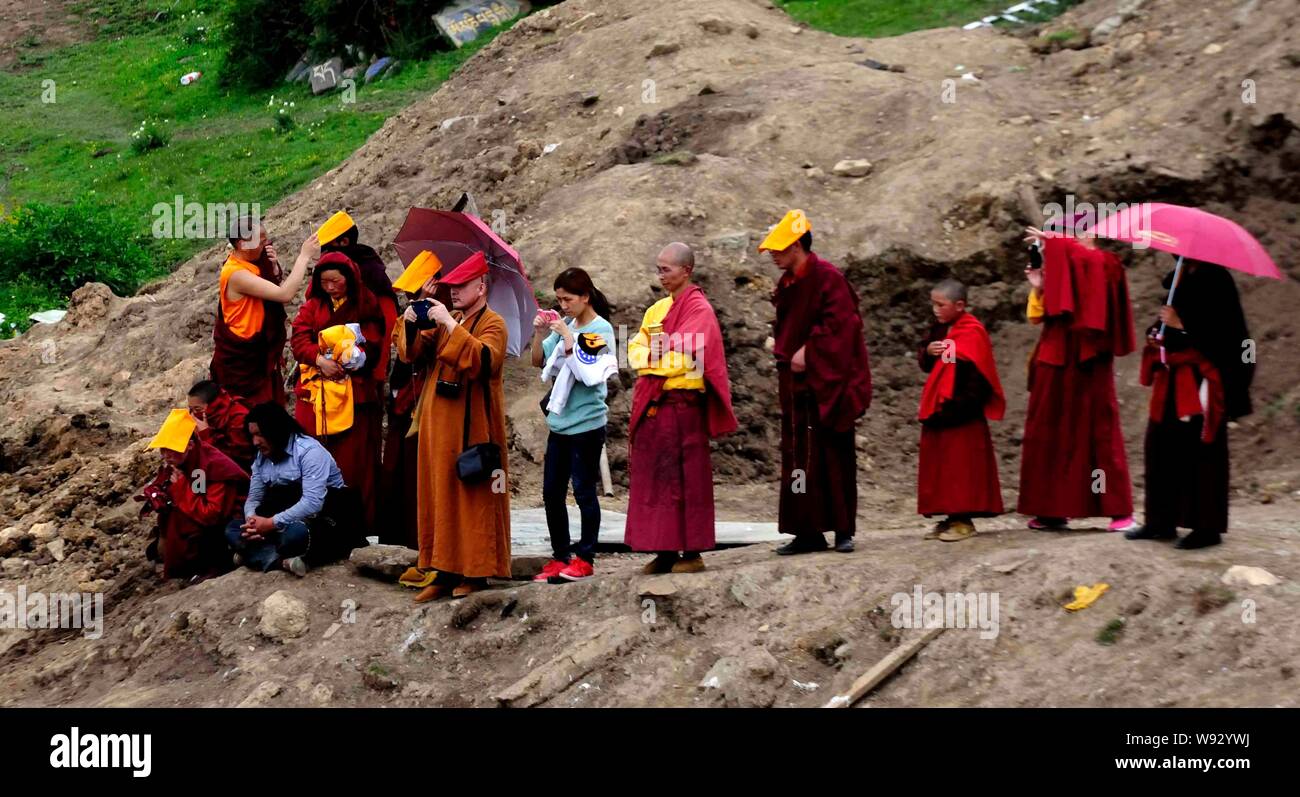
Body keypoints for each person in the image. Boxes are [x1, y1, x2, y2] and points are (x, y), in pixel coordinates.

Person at [394, 252, 511, 601]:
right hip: (438, 428)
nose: (454, 292)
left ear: (481, 285)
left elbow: (483, 361)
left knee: (474, 497)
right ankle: (442, 570)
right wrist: (413, 317)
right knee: (439, 497)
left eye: (461, 286)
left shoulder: (494, 323)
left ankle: (476, 572)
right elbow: (411, 353)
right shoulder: (453, 317)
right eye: (451, 287)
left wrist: (450, 324)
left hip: (473, 428)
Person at [762, 210, 873, 555]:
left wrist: (809, 351)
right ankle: (806, 531)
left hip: (827, 385)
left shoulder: (828, 278)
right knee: (799, 459)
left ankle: (842, 530)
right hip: (796, 390)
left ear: (796, 245)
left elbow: (844, 327)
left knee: (833, 456)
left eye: (779, 249)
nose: (774, 256)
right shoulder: (788, 283)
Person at [625, 243, 737, 574]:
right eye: (658, 269)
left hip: (683, 408)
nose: (660, 275)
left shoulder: (699, 310)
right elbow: (633, 349)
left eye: (666, 269)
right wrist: (651, 359)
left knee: (686, 481)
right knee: (657, 481)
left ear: (686, 270)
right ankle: (663, 550)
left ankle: (693, 553)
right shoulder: (657, 310)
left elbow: (687, 360)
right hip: (656, 408)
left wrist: (652, 360)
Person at [1128, 260, 1254, 549]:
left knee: (1201, 450)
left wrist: (1183, 325)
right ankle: (1160, 520)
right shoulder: (1177, 277)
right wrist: (1157, 332)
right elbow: (1169, 324)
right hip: (1172, 377)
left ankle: (1206, 527)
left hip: (1200, 379)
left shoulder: (1216, 279)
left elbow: (1227, 333)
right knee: (1159, 444)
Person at [1020, 220, 1137, 531]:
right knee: (1047, 431)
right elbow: (1045, 312)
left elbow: (1089, 272)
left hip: (1089, 360)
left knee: (1097, 431)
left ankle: (1118, 510)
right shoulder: (1066, 261)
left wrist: (1058, 244)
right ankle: (1052, 510)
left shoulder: (1105, 263)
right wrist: (1040, 285)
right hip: (1055, 354)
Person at [529, 268, 617, 583]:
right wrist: (540, 333)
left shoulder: (602, 329)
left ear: (585, 297)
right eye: (559, 300)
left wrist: (568, 337)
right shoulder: (565, 324)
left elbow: (587, 373)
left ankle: (586, 557)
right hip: (560, 424)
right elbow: (538, 361)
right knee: (552, 492)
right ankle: (560, 555)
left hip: (587, 424)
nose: (563, 306)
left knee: (583, 491)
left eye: (568, 299)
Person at [290, 251, 385, 533]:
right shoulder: (312, 307)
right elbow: (298, 340)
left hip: (354, 394)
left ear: (350, 279)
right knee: (314, 459)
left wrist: (357, 357)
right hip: (317, 394)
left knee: (355, 464)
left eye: (336, 281)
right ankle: (315, 523)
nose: (330, 287)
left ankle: (356, 526)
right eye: (325, 282)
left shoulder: (365, 303)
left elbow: (375, 339)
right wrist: (320, 361)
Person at [226, 403, 363, 577]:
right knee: (232, 529)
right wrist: (252, 522)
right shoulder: (262, 457)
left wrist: (270, 524)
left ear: (276, 430)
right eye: (252, 435)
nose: (255, 442)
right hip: (280, 517)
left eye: (260, 434)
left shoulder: (309, 452)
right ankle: (281, 562)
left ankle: (254, 555)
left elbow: (312, 503)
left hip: (321, 517)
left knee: (294, 536)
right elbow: (254, 497)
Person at [916, 279, 1006, 541]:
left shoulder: (972, 332)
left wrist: (959, 407)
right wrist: (928, 353)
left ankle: (963, 521)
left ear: (959, 305)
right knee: (942, 469)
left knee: (961, 471)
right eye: (933, 304)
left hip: (962, 412)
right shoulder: (941, 329)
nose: (935, 309)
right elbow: (936, 364)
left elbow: (978, 375)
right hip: (940, 409)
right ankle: (950, 517)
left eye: (940, 305)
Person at [210, 217, 316, 406]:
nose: (265, 244)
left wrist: (273, 267)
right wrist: (304, 257)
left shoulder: (252, 262)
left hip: (260, 355)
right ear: (243, 243)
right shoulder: (236, 273)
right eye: (260, 240)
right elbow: (284, 294)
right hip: (242, 361)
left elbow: (268, 285)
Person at [140, 409, 249, 582]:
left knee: (186, 523)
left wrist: (179, 488)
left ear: (189, 446)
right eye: (163, 450)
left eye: (172, 450)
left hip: (230, 519)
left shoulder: (206, 467)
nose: (166, 456)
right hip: (202, 511)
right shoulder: (187, 461)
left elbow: (210, 512)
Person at [317, 211, 399, 396]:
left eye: (329, 250)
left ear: (344, 242)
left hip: (365, 367)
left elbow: (387, 320)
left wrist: (377, 371)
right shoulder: (335, 276)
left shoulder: (369, 273)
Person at [186, 380, 254, 470]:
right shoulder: (207, 418)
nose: (193, 415)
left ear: (213, 404)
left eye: (197, 409)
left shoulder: (238, 419)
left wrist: (206, 435)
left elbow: (235, 461)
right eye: (191, 409)